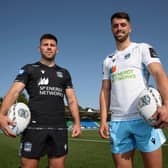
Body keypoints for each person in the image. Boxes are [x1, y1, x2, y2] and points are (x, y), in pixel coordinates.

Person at [0, 33, 81, 168]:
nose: (49, 48)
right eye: (45, 45)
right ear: (39, 49)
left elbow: (71, 99)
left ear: (57, 49)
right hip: (34, 127)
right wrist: (1, 114)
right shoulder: (29, 69)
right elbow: (14, 92)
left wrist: (77, 122)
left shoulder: (64, 73)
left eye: (52, 45)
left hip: (58, 127)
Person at [99, 12, 168, 168]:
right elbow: (105, 90)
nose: (119, 28)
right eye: (115, 26)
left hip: (145, 118)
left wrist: (167, 104)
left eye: (123, 25)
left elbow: (159, 74)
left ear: (130, 28)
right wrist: (103, 120)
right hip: (118, 122)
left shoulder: (142, 48)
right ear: (111, 29)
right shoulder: (108, 60)